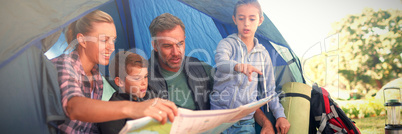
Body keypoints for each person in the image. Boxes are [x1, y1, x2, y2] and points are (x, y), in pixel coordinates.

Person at [52, 10, 177, 133]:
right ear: (83, 40)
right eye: (104, 40)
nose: (111, 47)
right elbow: (74, 108)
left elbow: (91, 126)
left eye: (113, 40)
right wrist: (134, 108)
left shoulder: (96, 78)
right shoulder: (63, 65)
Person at [210, 0, 291, 134]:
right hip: (219, 117)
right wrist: (239, 66)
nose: (246, 23)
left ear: (260, 20)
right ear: (234, 20)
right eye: (241, 18)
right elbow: (221, 62)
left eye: (252, 19)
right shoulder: (227, 44)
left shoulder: (263, 55)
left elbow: (269, 91)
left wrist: (280, 116)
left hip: (245, 121)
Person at [148, 13, 213, 110]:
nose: (175, 52)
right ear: (155, 46)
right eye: (168, 46)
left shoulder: (198, 66)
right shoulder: (143, 76)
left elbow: (228, 81)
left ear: (184, 40)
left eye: (180, 44)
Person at [98, 51, 156, 134]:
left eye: (145, 76)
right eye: (137, 78)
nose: (144, 83)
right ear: (120, 82)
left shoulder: (149, 97)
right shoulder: (112, 114)